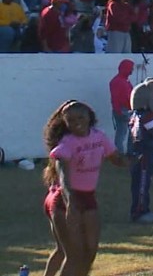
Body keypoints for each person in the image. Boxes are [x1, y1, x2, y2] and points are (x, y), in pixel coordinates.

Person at [42, 100, 125, 276]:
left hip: (87, 198)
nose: (76, 122)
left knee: (88, 253)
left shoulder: (99, 137)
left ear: (89, 116)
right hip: (64, 200)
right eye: (70, 120)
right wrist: (70, 200)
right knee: (74, 255)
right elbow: (63, 175)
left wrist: (141, 152)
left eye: (80, 117)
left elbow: (117, 159)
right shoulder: (67, 143)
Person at [129, 77, 153, 224]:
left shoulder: (135, 115)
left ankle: (143, 209)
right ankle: (139, 212)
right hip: (145, 153)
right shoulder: (148, 116)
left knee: (140, 183)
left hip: (138, 152)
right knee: (142, 183)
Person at [108, 59, 134, 155]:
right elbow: (121, 97)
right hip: (123, 109)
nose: (132, 70)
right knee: (122, 133)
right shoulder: (120, 82)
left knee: (124, 132)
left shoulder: (121, 80)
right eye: (130, 68)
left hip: (123, 109)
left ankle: (125, 152)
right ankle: (120, 153)